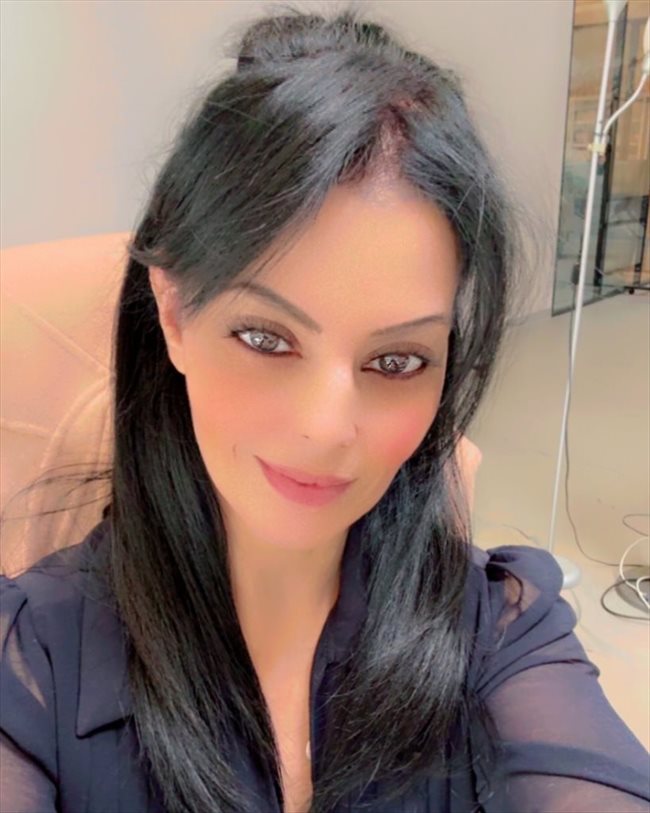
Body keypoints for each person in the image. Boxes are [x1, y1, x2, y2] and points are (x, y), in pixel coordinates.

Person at [1, 4, 649, 813]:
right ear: (174, 315)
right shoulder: (32, 663)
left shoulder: (502, 632)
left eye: (396, 361)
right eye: (266, 338)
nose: (326, 426)